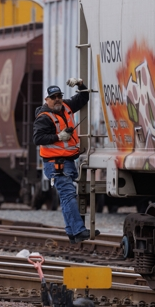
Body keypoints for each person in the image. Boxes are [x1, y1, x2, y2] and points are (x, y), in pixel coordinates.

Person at [33, 77, 100, 244]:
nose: (57, 99)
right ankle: (78, 230)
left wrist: (80, 84)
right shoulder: (44, 117)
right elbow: (37, 138)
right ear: (46, 100)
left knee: (66, 197)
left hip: (66, 162)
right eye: (53, 97)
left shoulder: (67, 106)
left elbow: (84, 97)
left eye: (59, 96)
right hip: (55, 163)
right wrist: (58, 136)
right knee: (69, 195)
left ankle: (72, 233)